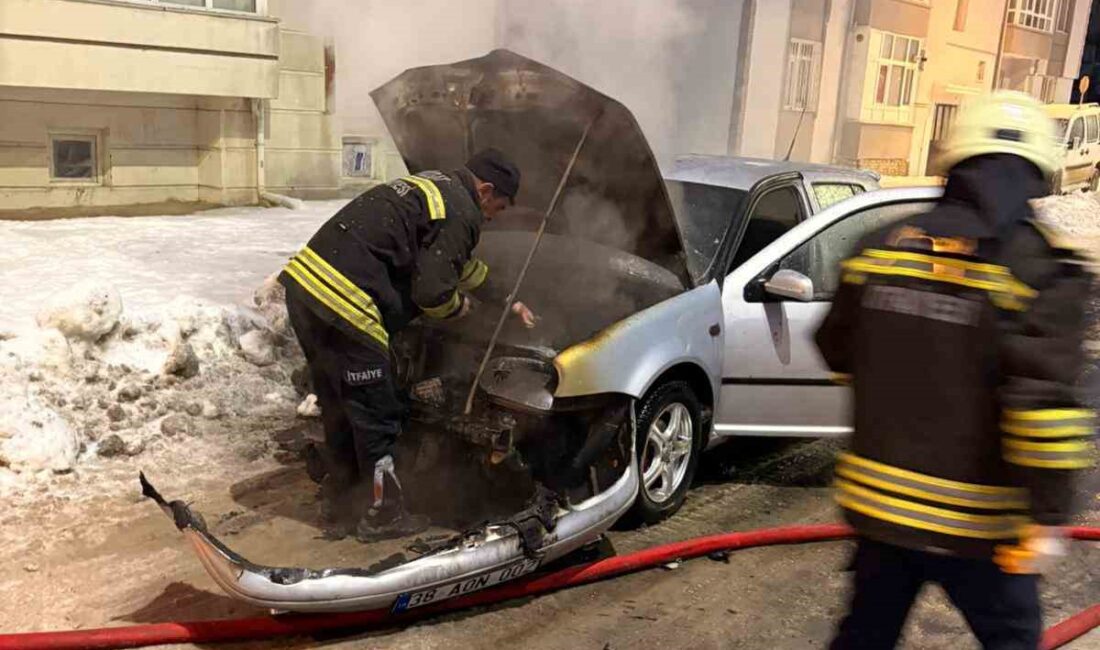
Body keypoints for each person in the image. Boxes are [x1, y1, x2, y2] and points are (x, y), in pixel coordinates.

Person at [815, 91, 1096, 649]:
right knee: (1011, 640)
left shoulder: (878, 248)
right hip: (980, 526)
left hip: (879, 513)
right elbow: (1045, 414)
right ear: (1038, 174)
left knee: (864, 636)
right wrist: (1047, 516)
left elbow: (835, 349)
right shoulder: (1045, 270)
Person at [280, 148, 536, 541]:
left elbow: (457, 265)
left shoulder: (434, 187)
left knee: (338, 403)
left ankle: (343, 501)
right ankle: (383, 514)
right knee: (377, 410)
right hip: (346, 300)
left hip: (305, 290)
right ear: (485, 191)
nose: (493, 217)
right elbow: (433, 294)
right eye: (497, 208)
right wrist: (462, 311)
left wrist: (506, 298)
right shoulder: (462, 210)